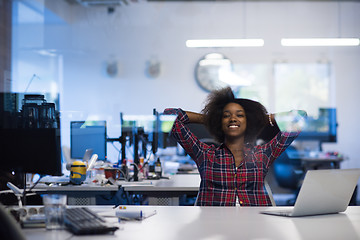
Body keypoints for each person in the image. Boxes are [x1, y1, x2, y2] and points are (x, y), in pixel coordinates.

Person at [163, 87, 306, 206]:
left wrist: (261, 118)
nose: (233, 118)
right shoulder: (205, 154)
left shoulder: (263, 154)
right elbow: (169, 115)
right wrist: (211, 118)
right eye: (226, 116)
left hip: (256, 223)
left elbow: (299, 116)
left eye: (240, 115)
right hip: (212, 224)